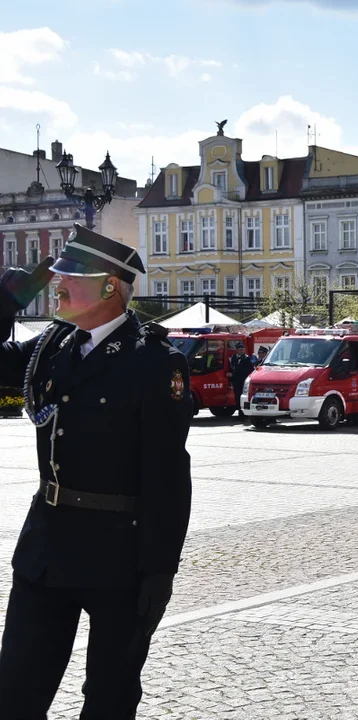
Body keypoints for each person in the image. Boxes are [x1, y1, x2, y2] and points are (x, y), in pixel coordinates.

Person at [0, 224, 193, 719]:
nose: (57, 283)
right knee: (15, 694)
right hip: (46, 548)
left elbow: (168, 473)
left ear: (110, 285)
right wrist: (6, 303)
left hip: (119, 557)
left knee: (108, 699)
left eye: (70, 274)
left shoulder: (152, 362)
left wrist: (159, 567)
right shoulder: (51, 346)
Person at [227, 346, 256, 417]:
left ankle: (243, 414)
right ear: (237, 350)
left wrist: (234, 373)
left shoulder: (247, 358)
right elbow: (232, 367)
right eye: (239, 350)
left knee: (242, 397)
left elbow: (249, 370)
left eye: (242, 350)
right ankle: (240, 412)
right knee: (237, 397)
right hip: (236, 381)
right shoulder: (234, 358)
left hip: (243, 381)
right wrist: (230, 374)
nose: (241, 351)